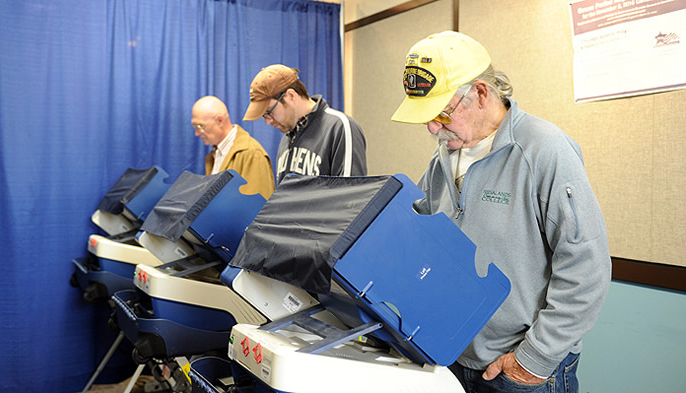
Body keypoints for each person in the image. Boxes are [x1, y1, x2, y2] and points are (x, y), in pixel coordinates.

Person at [391, 31, 611, 393]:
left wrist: (533, 360)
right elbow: (424, 241)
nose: (432, 128)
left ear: (479, 94)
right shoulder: (444, 156)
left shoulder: (544, 150)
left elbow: (587, 270)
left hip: (520, 369)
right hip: (455, 359)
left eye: (441, 113)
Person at [242, 64, 367, 183]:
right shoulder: (285, 142)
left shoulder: (340, 127)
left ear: (291, 96)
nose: (268, 121)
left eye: (269, 112)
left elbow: (351, 195)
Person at [191, 96, 275, 199]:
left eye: (200, 126)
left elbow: (259, 208)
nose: (196, 133)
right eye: (195, 127)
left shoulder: (252, 154)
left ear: (220, 120)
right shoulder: (214, 155)